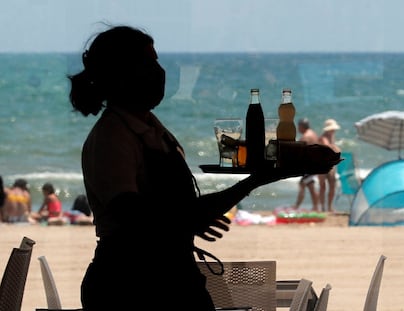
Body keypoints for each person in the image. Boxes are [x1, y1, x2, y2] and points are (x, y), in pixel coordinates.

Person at [67, 25, 319, 310]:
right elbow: (135, 217)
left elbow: (168, 214)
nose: (159, 71)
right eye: (149, 63)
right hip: (130, 285)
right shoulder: (112, 137)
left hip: (171, 277)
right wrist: (198, 215)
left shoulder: (149, 127)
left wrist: (199, 214)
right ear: (123, 74)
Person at [291, 118, 320, 211]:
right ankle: (315, 207)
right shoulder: (313, 133)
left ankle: (297, 206)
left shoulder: (305, 137)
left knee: (302, 183)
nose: (298, 129)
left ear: (301, 126)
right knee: (310, 184)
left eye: (298, 126)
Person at [318, 118, 341, 212]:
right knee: (323, 187)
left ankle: (329, 207)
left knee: (332, 185)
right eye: (333, 129)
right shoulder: (323, 138)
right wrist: (336, 149)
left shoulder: (331, 137)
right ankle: (324, 207)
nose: (334, 131)